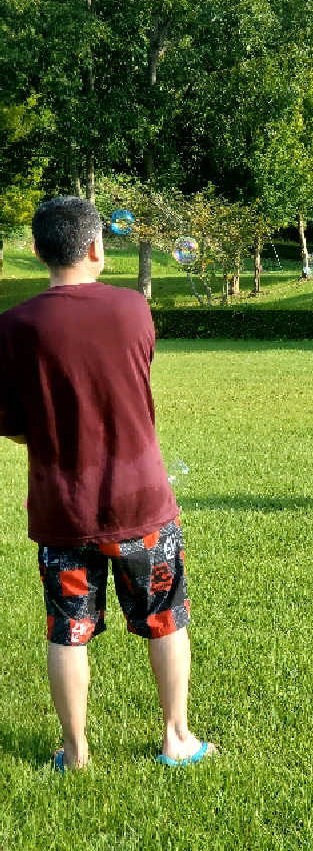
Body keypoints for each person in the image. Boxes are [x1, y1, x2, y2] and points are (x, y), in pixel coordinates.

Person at [0, 196, 215, 770]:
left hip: (62, 510)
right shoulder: (132, 308)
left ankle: (75, 753)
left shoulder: (13, 327)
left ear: (40, 251)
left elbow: (14, 425)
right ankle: (176, 737)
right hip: (141, 501)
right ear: (96, 247)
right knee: (166, 617)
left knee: (67, 630)